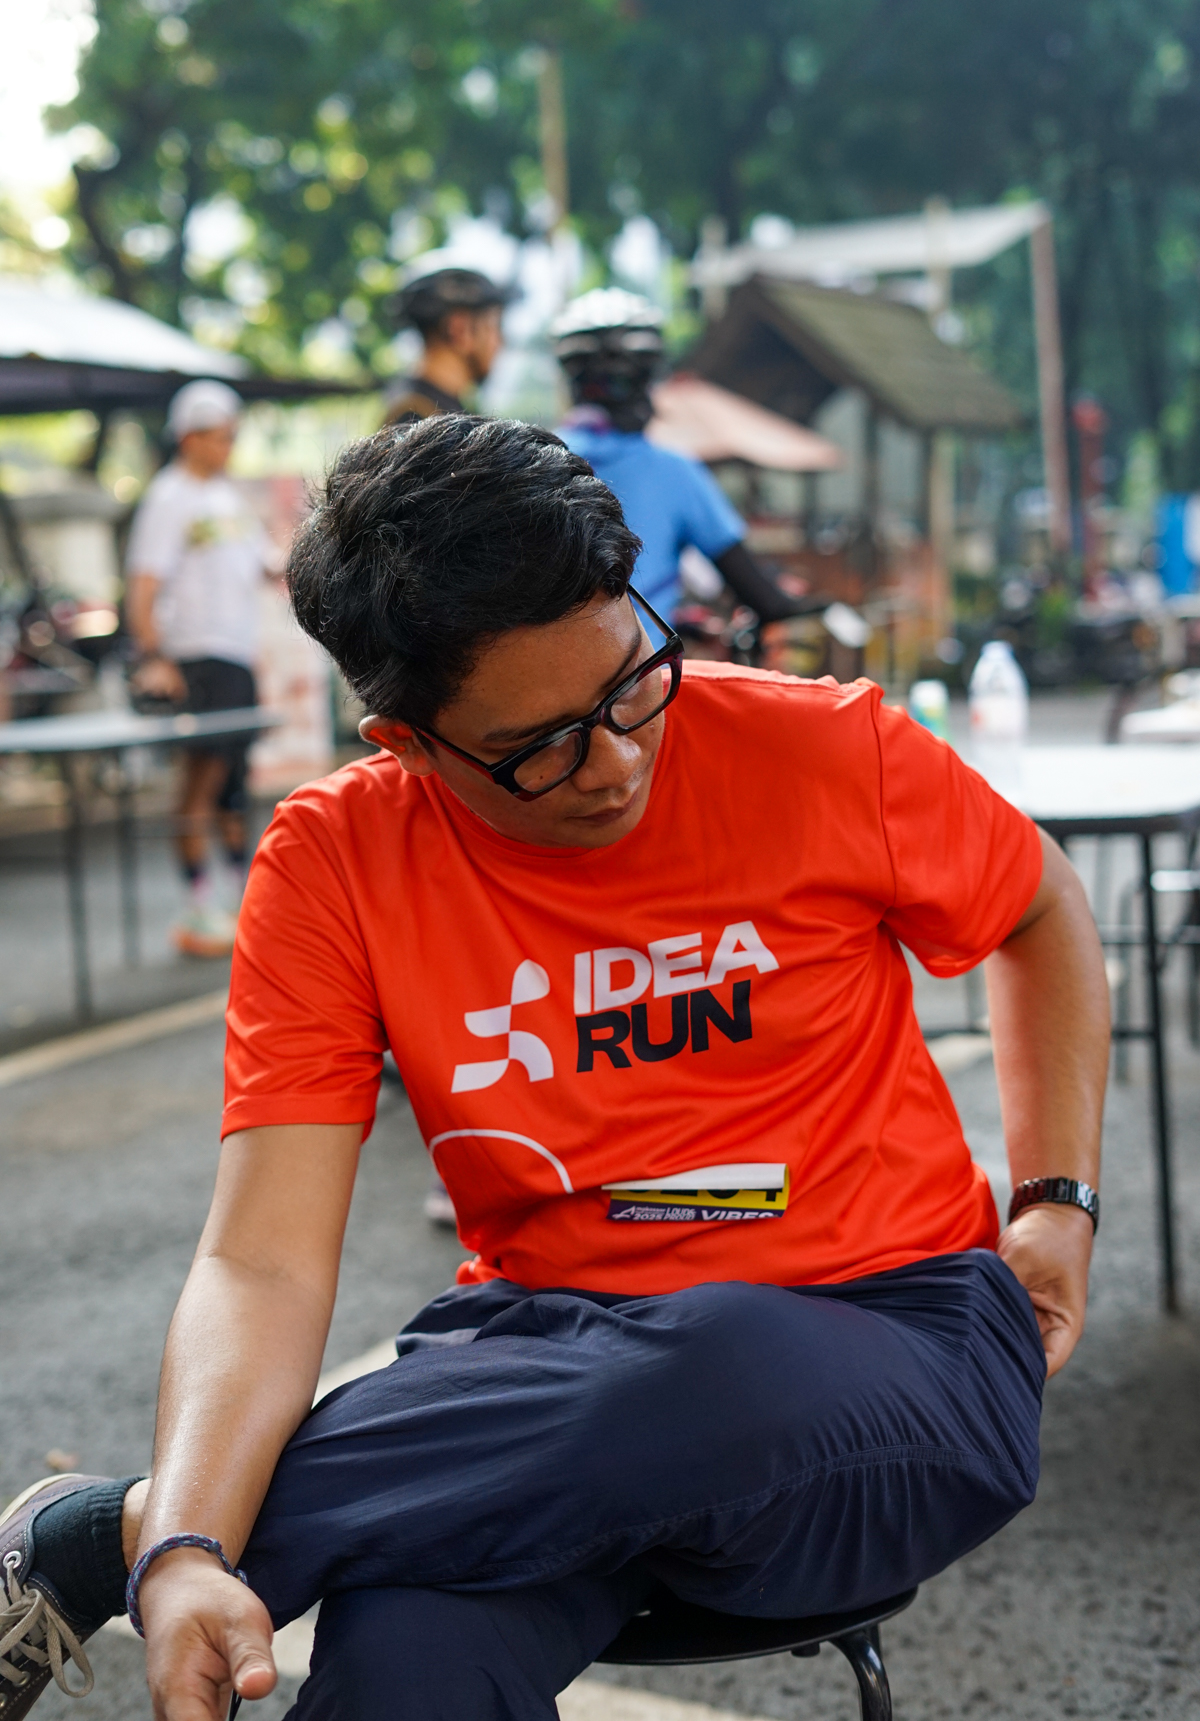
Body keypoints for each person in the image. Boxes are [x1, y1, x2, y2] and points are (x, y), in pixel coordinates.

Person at [0, 416, 1108, 1721]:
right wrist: (198, 1556)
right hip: (538, 1365)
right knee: (404, 1670)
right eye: (541, 746)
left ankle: (108, 1537)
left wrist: (1055, 1201)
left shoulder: (823, 747)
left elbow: (1040, 904)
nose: (619, 760)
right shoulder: (334, 864)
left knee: (716, 1361)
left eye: (635, 683)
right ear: (403, 741)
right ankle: (173, 1534)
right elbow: (261, 1260)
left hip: (888, 1337)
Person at [553, 289, 823, 624]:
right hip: (643, 658)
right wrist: (819, 606)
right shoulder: (673, 471)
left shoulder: (535, 461)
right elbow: (763, 599)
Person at [125, 380, 270, 958]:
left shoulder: (229, 499)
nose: (229, 444)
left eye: (233, 434)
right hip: (196, 657)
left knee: (233, 783)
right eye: (219, 435)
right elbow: (143, 583)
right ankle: (198, 902)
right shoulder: (169, 497)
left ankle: (240, 898)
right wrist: (154, 655)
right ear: (189, 437)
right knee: (200, 781)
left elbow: (266, 566)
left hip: (236, 656)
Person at [383, 266, 511, 426]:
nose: (500, 342)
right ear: (460, 330)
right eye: (494, 326)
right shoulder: (417, 417)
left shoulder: (435, 408)